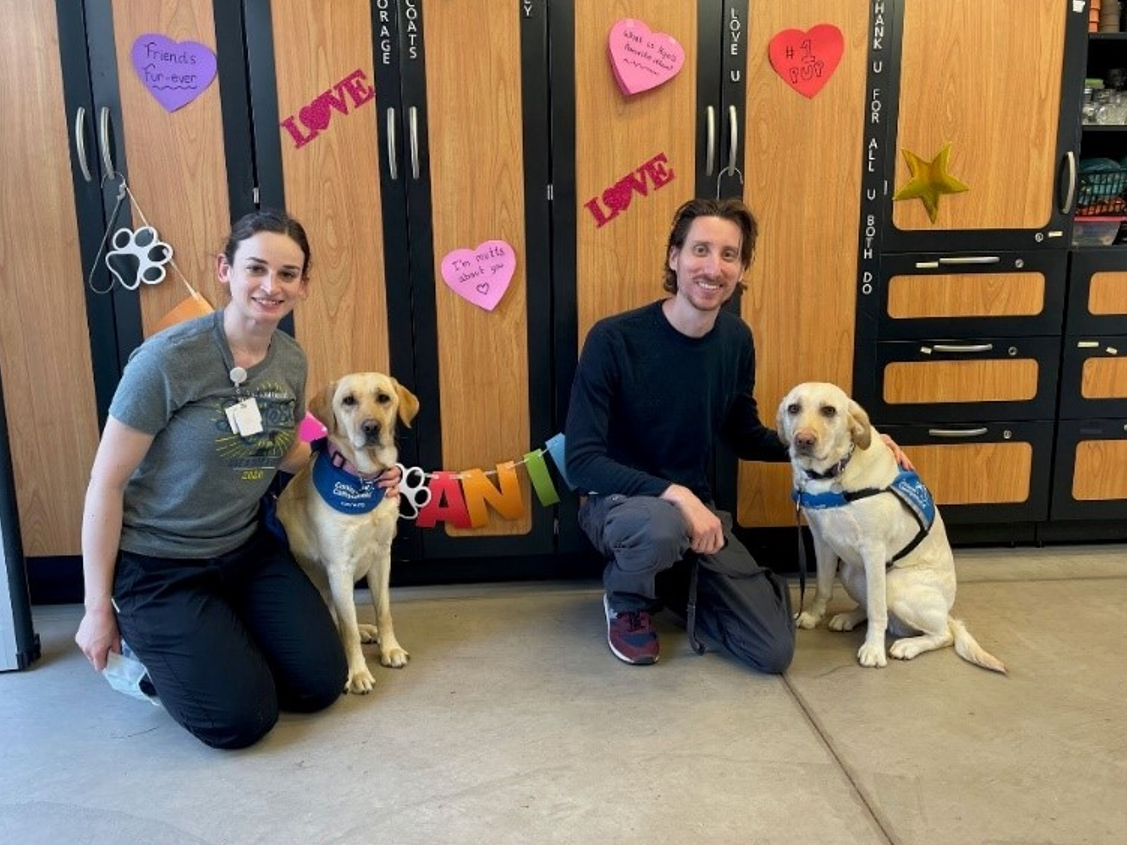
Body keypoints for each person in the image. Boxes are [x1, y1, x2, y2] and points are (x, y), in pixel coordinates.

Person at [74, 210, 396, 749]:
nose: (272, 286)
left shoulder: (290, 360)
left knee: (320, 684)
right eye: (256, 269)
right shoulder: (165, 362)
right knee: (240, 721)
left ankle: (219, 640)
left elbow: (284, 448)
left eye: (288, 274)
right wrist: (95, 608)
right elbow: (104, 485)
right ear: (225, 269)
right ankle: (149, 659)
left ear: (303, 284)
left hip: (245, 549)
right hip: (160, 563)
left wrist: (361, 474)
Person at [566, 197, 911, 672]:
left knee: (771, 649)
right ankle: (627, 600)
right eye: (700, 250)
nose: (714, 267)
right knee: (661, 526)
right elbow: (582, 462)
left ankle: (667, 579)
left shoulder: (735, 339)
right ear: (674, 257)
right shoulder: (613, 339)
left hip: (694, 517)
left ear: (742, 267)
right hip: (621, 506)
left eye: (729, 255)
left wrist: (846, 445)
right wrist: (680, 496)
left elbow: (743, 432)